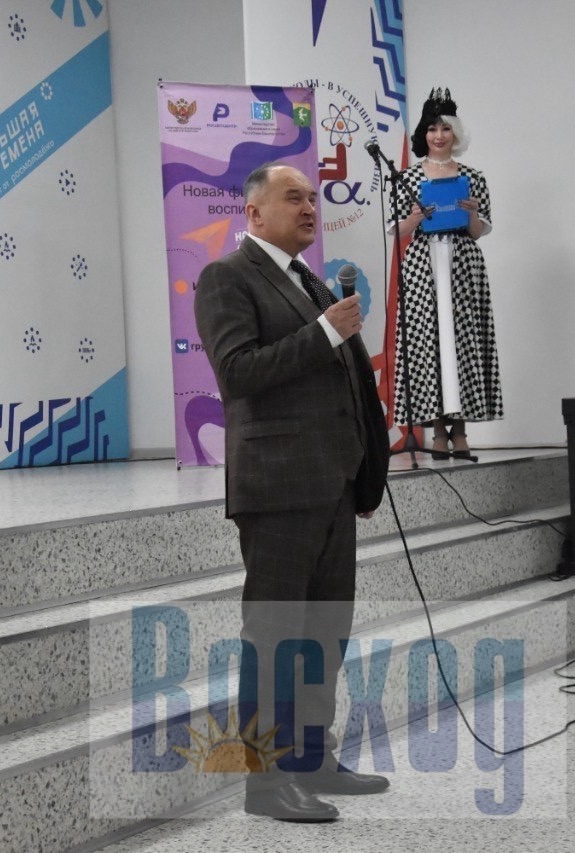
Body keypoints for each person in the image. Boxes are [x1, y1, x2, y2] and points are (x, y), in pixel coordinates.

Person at [194, 163, 391, 823]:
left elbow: (348, 385)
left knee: (324, 633)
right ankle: (264, 782)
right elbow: (238, 372)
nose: (310, 207)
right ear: (254, 212)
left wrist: (365, 472)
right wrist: (325, 331)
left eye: (312, 197)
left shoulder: (309, 280)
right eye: (293, 197)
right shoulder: (227, 277)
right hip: (278, 487)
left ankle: (312, 758)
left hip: (332, 483)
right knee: (275, 637)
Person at [393, 87, 503, 459]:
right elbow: (398, 230)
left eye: (445, 128)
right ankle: (438, 431)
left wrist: (471, 212)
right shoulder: (407, 178)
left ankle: (461, 431)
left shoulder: (473, 177)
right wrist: (416, 216)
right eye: (432, 128)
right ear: (423, 134)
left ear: (455, 133)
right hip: (423, 263)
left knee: (462, 341)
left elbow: (477, 231)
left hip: (462, 263)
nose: (438, 136)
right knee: (429, 343)